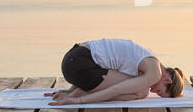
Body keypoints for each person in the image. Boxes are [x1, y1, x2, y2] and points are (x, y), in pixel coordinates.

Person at [45, 38, 185, 105]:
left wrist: (69, 91)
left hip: (72, 61)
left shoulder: (149, 58)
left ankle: (79, 89)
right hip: (79, 65)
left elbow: (105, 64)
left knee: (138, 88)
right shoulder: (155, 73)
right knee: (141, 92)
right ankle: (83, 92)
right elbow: (115, 89)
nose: (154, 92)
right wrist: (77, 101)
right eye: (160, 91)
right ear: (167, 80)